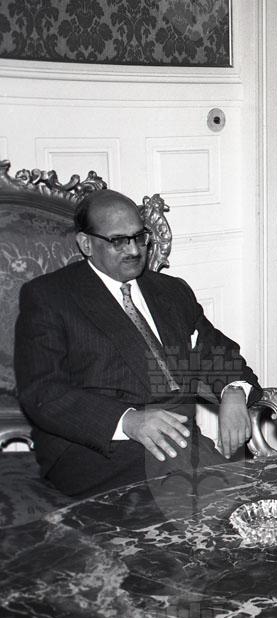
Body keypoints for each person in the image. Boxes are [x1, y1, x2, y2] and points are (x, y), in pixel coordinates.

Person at [14, 189, 262, 497]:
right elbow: (42, 391)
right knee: (221, 495)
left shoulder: (171, 291)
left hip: (178, 441)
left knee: (235, 494)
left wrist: (233, 392)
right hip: (96, 447)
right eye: (118, 241)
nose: (133, 250)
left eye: (139, 237)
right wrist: (128, 421)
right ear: (86, 244)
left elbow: (212, 348)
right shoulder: (50, 296)